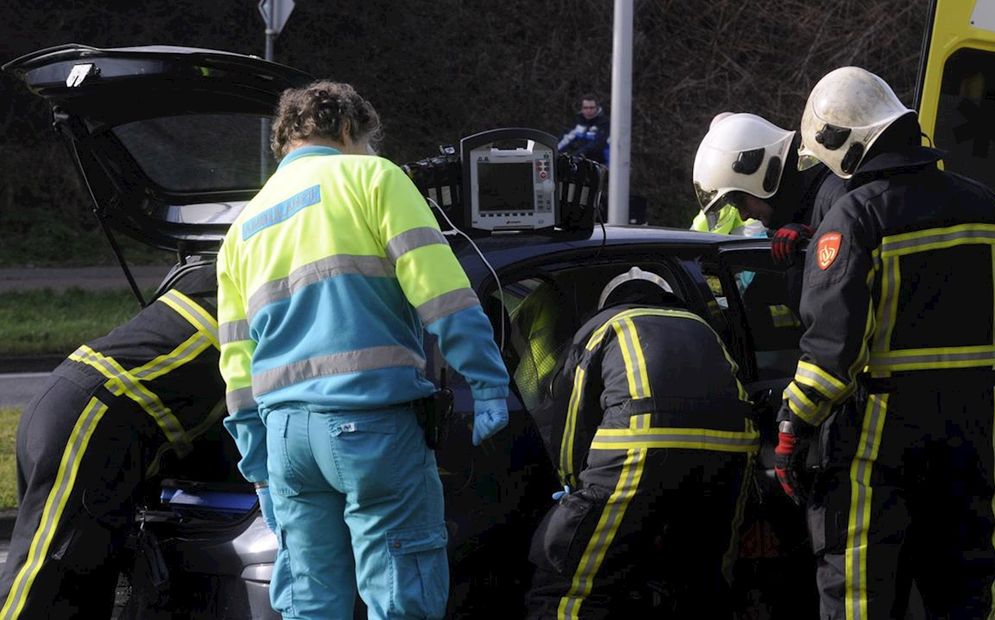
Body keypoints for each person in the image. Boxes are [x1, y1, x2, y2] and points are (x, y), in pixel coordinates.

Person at [216, 81, 510, 620]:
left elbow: (236, 360)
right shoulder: (374, 178)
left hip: (285, 440)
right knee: (401, 592)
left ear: (286, 142)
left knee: (310, 599)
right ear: (348, 130)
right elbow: (443, 297)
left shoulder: (242, 228)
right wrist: (488, 382)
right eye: (369, 139)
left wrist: (256, 461)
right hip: (369, 424)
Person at [773, 66, 995, 618]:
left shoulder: (855, 218)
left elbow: (831, 358)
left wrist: (791, 427)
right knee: (970, 586)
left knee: (860, 590)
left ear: (842, 143)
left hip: (882, 439)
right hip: (974, 424)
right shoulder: (986, 205)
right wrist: (971, 341)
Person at [525, 267, 759, 618]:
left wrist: (572, 484)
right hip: (732, 450)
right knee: (703, 582)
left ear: (609, 303)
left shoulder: (604, 326)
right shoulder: (701, 326)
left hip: (641, 444)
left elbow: (572, 416)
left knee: (571, 581)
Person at [0, 263, 225, 618]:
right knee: (42, 590)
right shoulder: (254, 292)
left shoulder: (216, 277)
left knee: (78, 590)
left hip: (82, 408)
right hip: (93, 417)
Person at [691, 112, 846, 263]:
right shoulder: (789, 222)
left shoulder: (836, 198)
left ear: (764, 177)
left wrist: (819, 238)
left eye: (741, 202)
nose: (743, 215)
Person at [556, 93, 611, 164]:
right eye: (585, 108)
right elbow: (565, 140)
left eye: (591, 108)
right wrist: (555, 152)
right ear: (582, 108)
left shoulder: (605, 123)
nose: (588, 110)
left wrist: (577, 155)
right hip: (579, 161)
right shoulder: (577, 121)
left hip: (601, 163)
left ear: (597, 108)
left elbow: (598, 144)